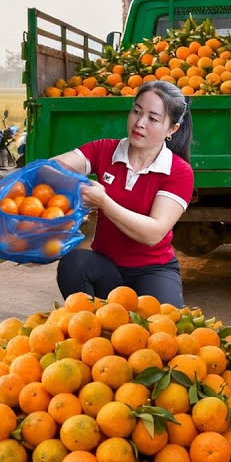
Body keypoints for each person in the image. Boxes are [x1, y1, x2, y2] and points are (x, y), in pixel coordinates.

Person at [54, 81, 195, 306]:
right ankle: (90, 331)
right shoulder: (104, 150)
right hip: (105, 267)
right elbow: (54, 168)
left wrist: (104, 202)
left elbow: (153, 233)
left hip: (153, 270)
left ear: (172, 129)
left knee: (163, 334)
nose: (139, 123)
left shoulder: (178, 171)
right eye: (136, 111)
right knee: (74, 264)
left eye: (153, 118)